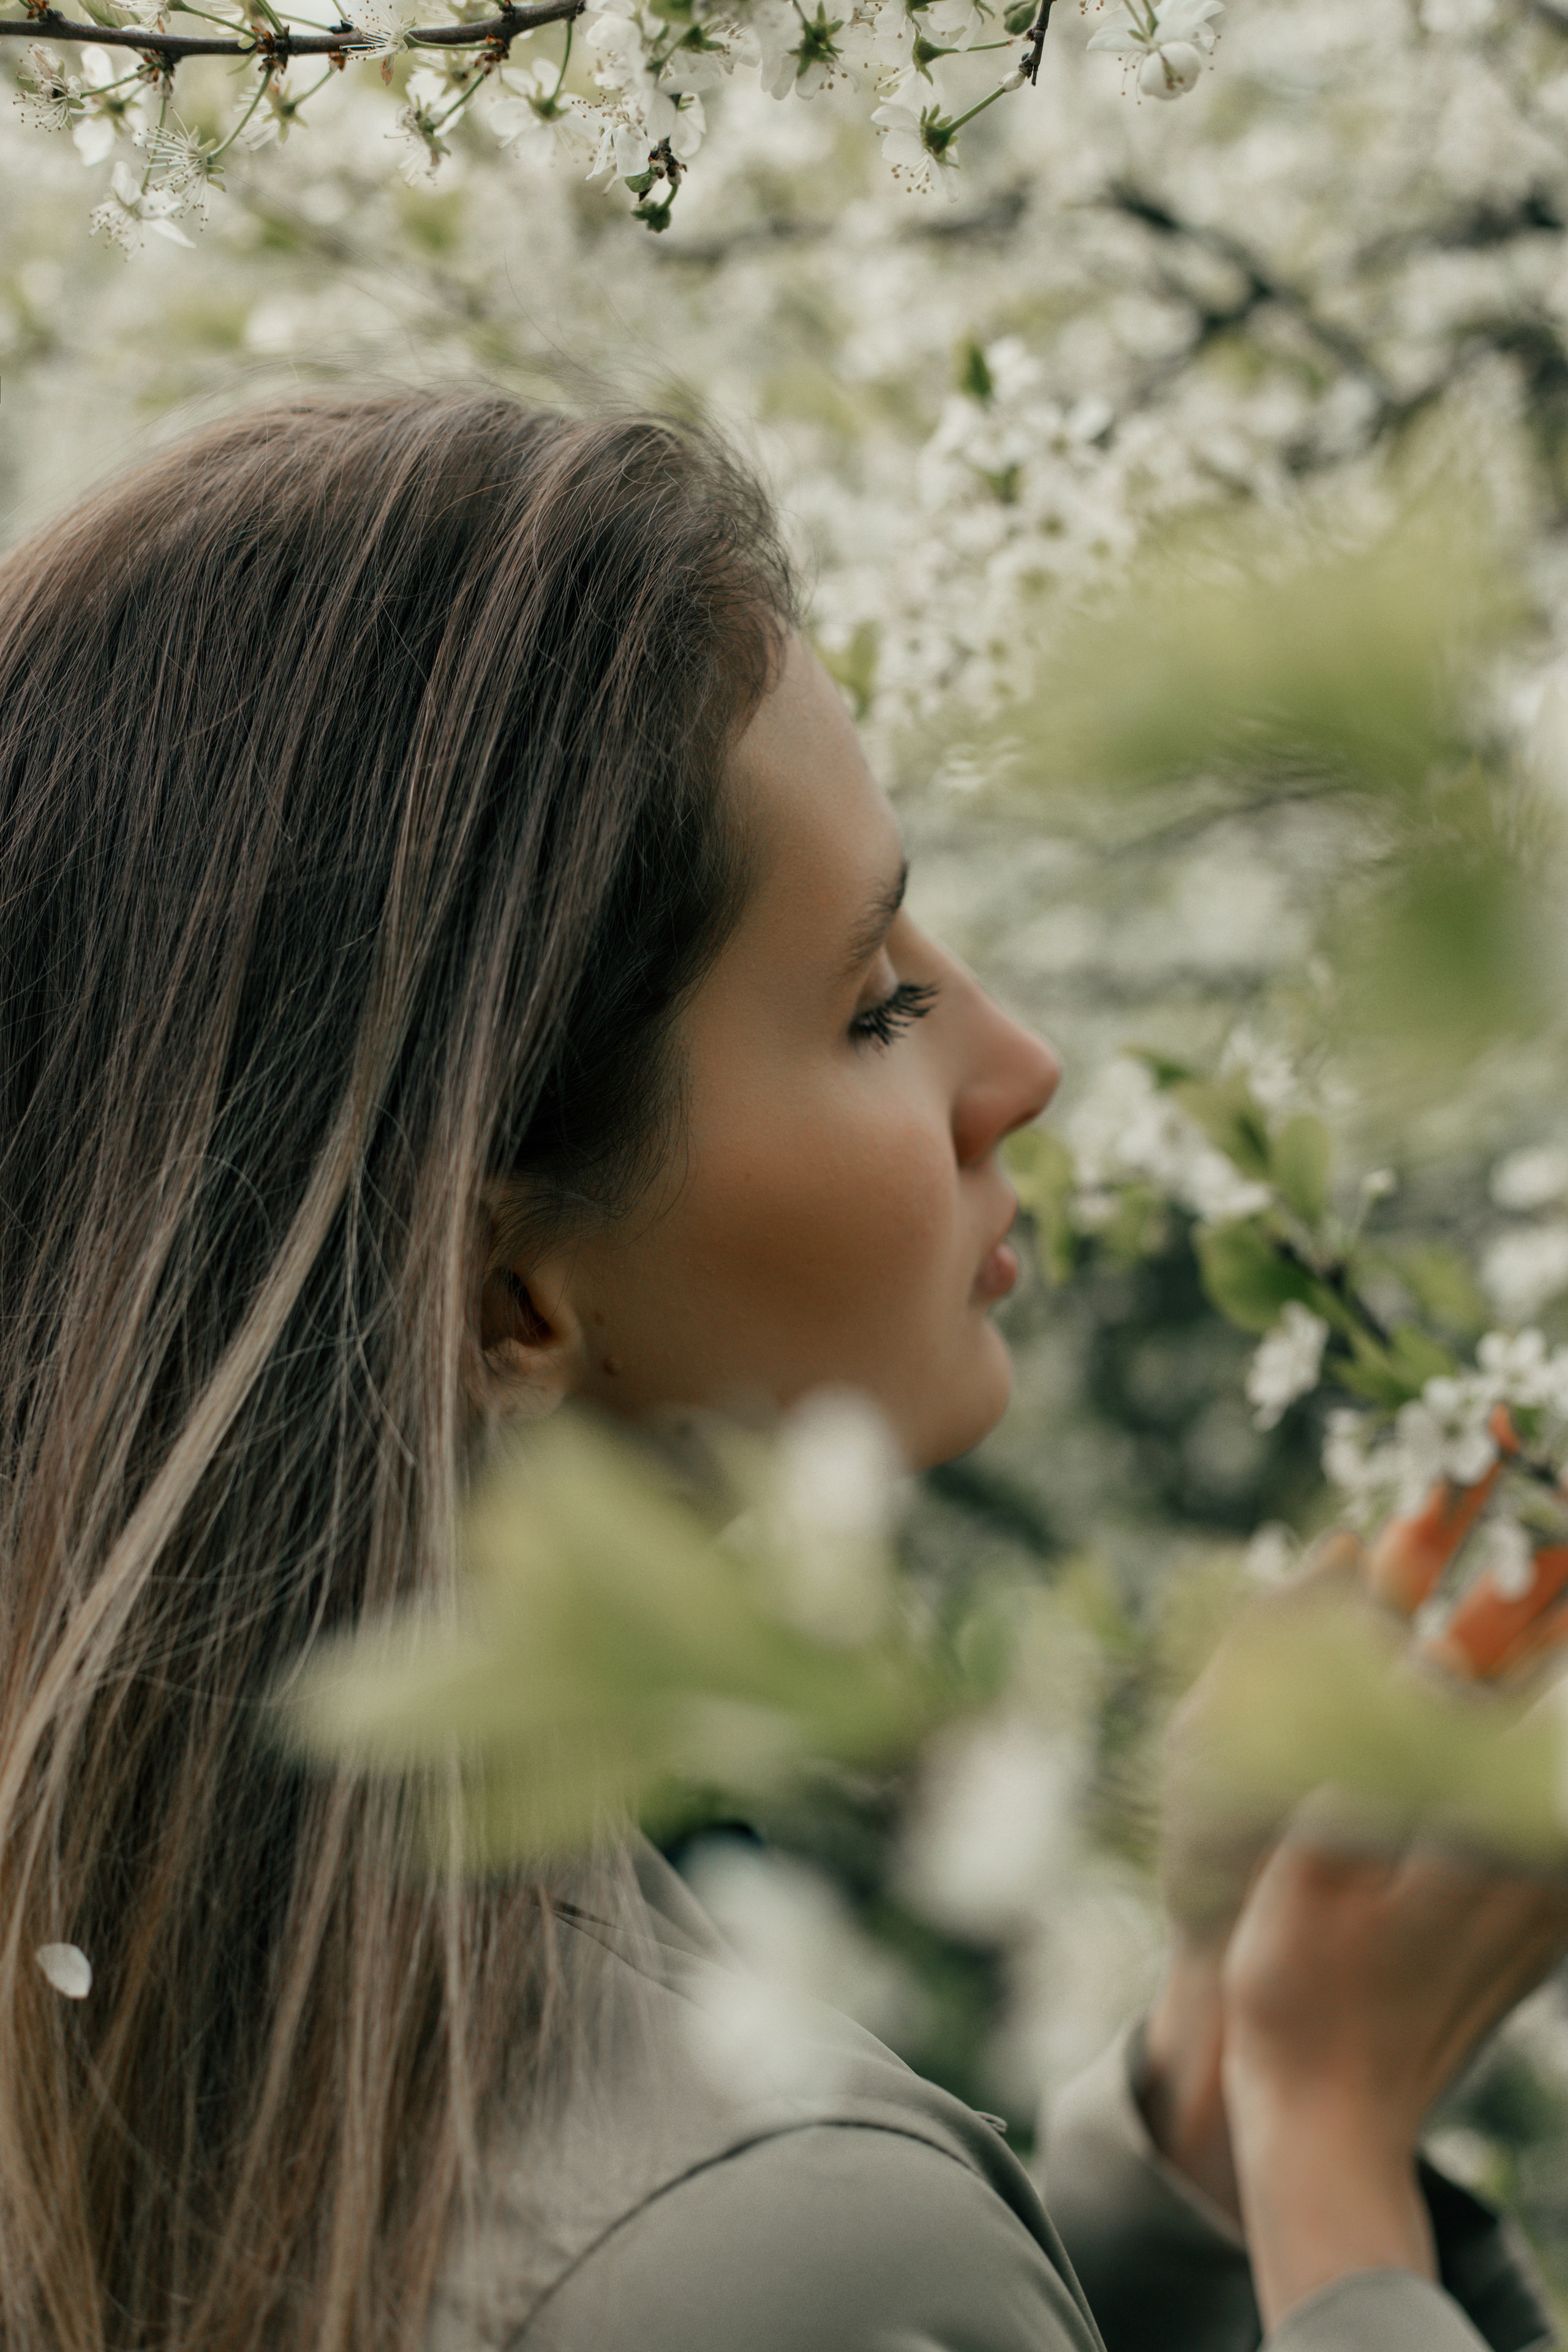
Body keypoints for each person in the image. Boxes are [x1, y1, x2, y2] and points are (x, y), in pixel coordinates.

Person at [0, 388, 1564, 2352]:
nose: (1020, 1063)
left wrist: (1208, 2130)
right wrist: (1334, 2151)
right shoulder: (764, 2243)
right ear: (505, 1299)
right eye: (876, 1002)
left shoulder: (148, 2004)